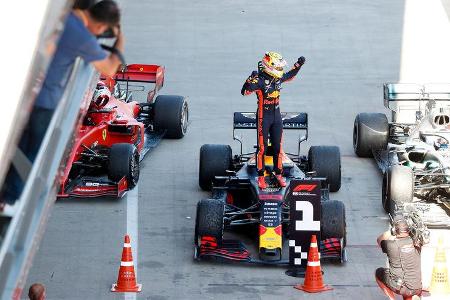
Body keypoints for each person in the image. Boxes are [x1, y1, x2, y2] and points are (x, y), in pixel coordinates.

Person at [1, 0, 124, 207]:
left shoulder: (64, 18)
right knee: (33, 153)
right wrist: (120, 41)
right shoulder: (83, 39)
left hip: (27, 92)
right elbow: (110, 69)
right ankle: (9, 198)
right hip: (46, 101)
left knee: (15, 145)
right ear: (102, 27)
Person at [241, 52, 305, 189]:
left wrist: (299, 65)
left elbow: (290, 75)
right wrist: (249, 79)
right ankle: (260, 177)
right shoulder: (258, 80)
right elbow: (244, 92)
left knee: (278, 147)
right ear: (270, 67)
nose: (281, 70)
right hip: (264, 117)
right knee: (262, 148)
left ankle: (279, 174)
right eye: (279, 67)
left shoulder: (278, 78)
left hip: (276, 117)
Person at [375, 215, 422, 300]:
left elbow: (379, 240)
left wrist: (390, 232)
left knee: (379, 272)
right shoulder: (416, 244)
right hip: (417, 287)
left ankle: (392, 298)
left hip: (401, 287)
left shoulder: (390, 246)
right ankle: (413, 296)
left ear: (394, 230)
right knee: (407, 275)